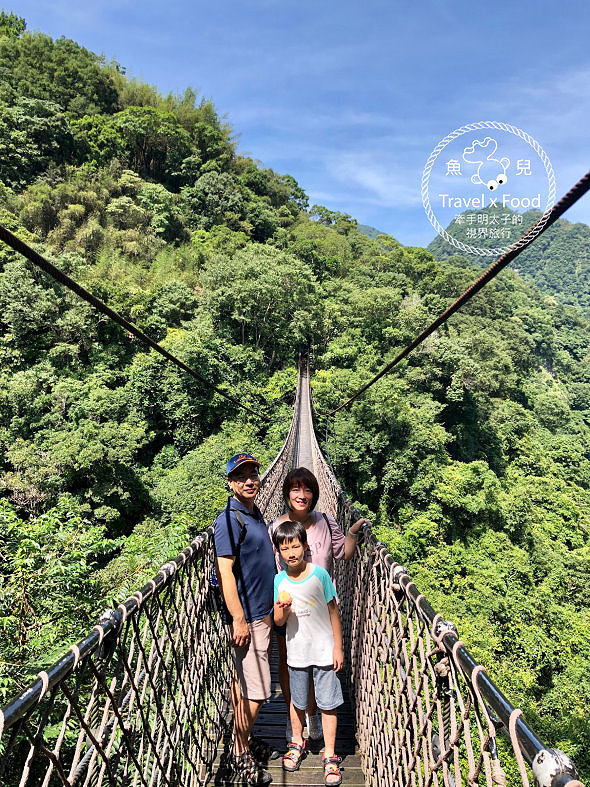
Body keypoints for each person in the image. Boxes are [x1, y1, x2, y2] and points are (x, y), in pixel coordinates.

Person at [270, 467, 369, 741]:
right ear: (287, 493)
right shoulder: (275, 528)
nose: (302, 495)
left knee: (320, 668)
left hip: (323, 613)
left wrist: (352, 532)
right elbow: (272, 568)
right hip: (290, 612)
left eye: (308, 489)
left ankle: (314, 714)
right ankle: (300, 719)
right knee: (291, 664)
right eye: (295, 489)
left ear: (314, 494)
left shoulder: (326, 522)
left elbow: (343, 554)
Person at [214, 453, 276, 786]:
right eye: (241, 476)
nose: (249, 480)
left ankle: (243, 744)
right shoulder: (228, 519)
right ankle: (238, 754)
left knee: (243, 685)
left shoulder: (253, 513)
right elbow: (226, 572)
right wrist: (238, 619)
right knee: (260, 691)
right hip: (248, 618)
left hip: (262, 613)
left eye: (253, 474)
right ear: (230, 482)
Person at [273, 520, 344, 786]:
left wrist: (339, 647)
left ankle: (329, 755)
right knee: (297, 701)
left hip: (324, 650)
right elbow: (279, 622)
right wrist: (281, 607)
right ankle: (296, 742)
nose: (291, 552)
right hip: (297, 652)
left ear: (305, 546)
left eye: (295, 546)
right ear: (279, 553)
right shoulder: (279, 580)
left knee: (328, 703)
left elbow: (334, 611)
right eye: (285, 548)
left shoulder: (320, 575)